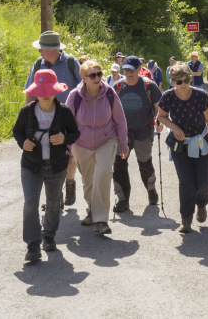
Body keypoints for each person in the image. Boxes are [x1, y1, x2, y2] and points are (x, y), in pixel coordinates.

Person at [13, 69, 80, 261]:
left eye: (48, 91)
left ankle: (49, 236)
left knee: (52, 203)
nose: (44, 95)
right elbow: (17, 132)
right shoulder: (26, 112)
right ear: (35, 92)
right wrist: (22, 143)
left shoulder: (64, 112)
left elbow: (75, 133)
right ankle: (33, 244)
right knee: (31, 203)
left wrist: (64, 138)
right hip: (30, 166)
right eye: (40, 91)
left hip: (57, 166)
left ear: (55, 91)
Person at [68, 61, 129, 235]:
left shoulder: (109, 93)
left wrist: (123, 144)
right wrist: (67, 149)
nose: (97, 78)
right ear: (84, 78)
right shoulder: (74, 96)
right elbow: (67, 123)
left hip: (106, 140)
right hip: (81, 143)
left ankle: (101, 219)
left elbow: (120, 120)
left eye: (99, 74)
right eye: (92, 75)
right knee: (88, 180)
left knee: (102, 174)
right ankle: (92, 210)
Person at [157, 63, 208, 233]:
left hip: (201, 144)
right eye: (179, 82)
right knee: (186, 183)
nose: (183, 85)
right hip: (180, 147)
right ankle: (186, 219)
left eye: (186, 81)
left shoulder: (200, 96)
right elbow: (161, 116)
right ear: (172, 81)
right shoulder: (168, 96)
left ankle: (202, 204)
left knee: (203, 183)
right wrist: (174, 127)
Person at [24, 31, 82, 207]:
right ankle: (55, 196)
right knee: (48, 159)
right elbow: (30, 90)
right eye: (40, 49)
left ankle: (70, 184)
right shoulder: (38, 64)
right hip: (45, 119)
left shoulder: (71, 63)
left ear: (55, 49)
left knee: (70, 158)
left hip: (69, 119)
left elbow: (84, 88)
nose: (40, 52)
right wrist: (28, 116)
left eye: (43, 49)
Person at [112, 55, 164, 212]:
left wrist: (159, 122)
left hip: (143, 131)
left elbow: (159, 108)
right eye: (126, 70)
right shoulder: (117, 87)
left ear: (139, 69)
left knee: (145, 164)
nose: (129, 73)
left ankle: (151, 190)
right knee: (119, 166)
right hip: (122, 134)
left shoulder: (149, 86)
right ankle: (122, 199)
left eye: (132, 70)